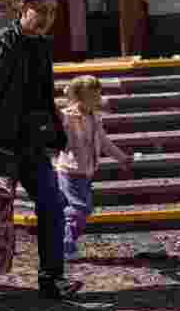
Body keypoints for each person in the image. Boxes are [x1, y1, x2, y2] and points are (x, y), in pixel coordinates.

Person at [0, 0, 81, 300]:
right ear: (24, 9)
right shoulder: (3, 42)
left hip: (31, 145)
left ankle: (51, 279)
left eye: (53, 12)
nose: (47, 18)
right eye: (42, 11)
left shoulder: (42, 46)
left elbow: (44, 95)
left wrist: (57, 135)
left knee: (53, 205)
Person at [54, 75, 133, 260]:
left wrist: (121, 158)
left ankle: (65, 242)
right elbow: (58, 123)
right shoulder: (69, 116)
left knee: (81, 209)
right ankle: (64, 244)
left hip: (86, 171)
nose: (98, 99)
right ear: (80, 98)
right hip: (70, 170)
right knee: (81, 208)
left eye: (99, 95)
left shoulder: (95, 118)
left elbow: (104, 142)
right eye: (93, 96)